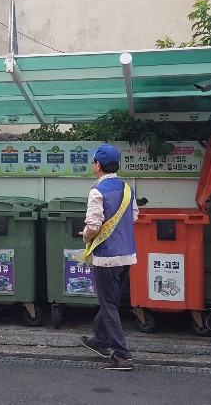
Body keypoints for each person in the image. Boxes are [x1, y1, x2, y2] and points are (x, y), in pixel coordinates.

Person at [78, 144, 139, 371]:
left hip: (106, 258)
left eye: (93, 162)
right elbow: (133, 216)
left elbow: (93, 226)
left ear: (98, 165)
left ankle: (122, 355)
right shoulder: (126, 188)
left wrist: (86, 236)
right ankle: (100, 340)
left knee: (109, 305)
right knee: (110, 302)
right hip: (127, 255)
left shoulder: (97, 191)